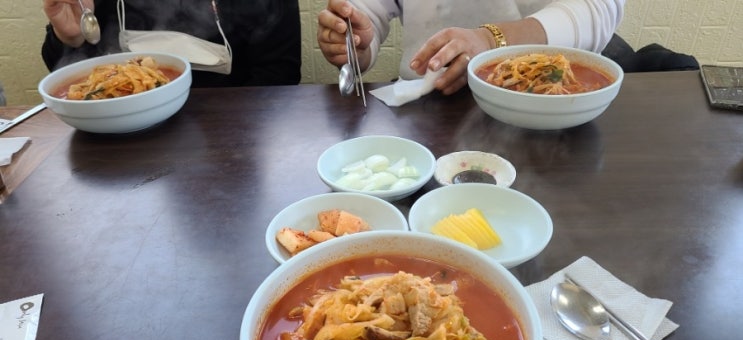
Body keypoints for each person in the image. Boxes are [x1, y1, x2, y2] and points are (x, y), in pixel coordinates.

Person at [317, 0, 625, 95]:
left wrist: (492, 41)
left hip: (554, 104)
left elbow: (598, 9)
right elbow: (370, 9)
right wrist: (354, 42)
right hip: (430, 104)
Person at [42, 0, 301, 87]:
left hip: (230, 140)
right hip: (118, 139)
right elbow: (62, 69)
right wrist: (70, 38)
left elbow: (280, 75)